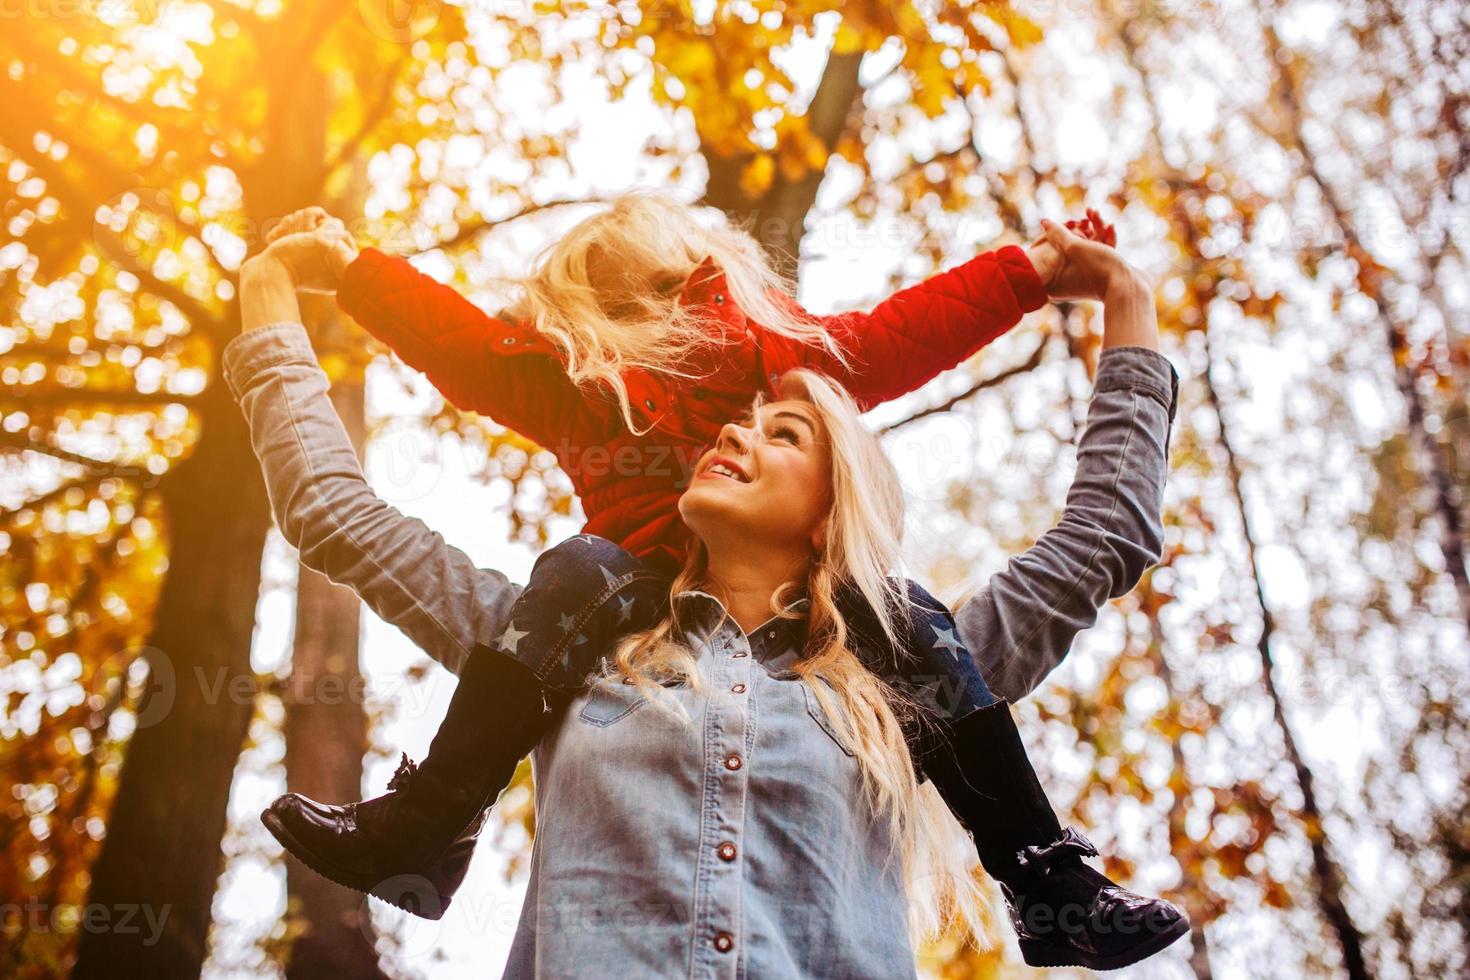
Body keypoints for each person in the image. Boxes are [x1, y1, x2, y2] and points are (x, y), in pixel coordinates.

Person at [225, 214, 1189, 971]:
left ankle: (1044, 873)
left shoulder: (902, 671)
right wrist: (304, 283)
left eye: (784, 437)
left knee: (908, 610)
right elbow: (344, 495)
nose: (735, 435)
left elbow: (1098, 533)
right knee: (574, 569)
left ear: (831, 497)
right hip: (602, 598)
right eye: (738, 431)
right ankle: (434, 817)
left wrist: (1100, 293)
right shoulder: (548, 651)